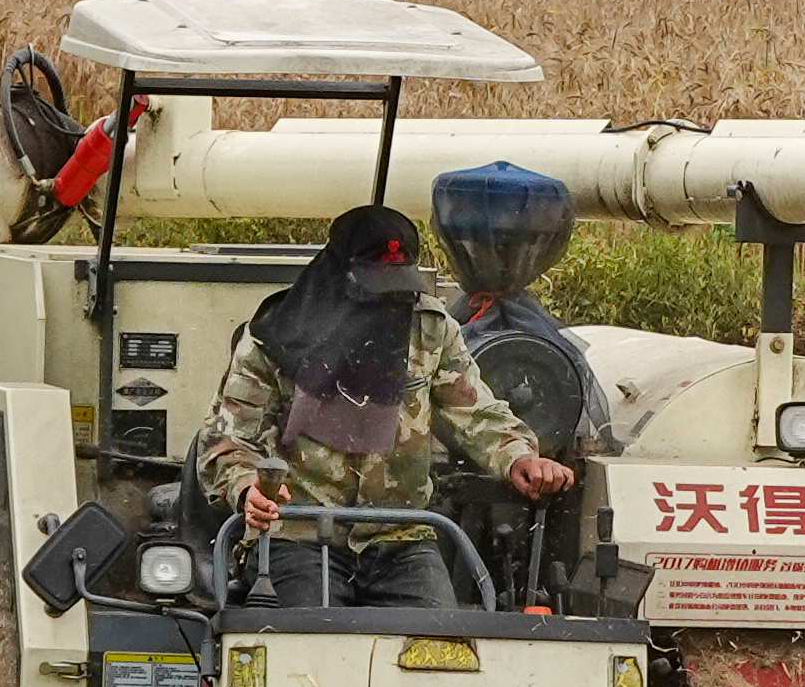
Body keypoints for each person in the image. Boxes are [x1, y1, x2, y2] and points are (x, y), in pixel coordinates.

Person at [198, 205, 575, 607]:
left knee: (442, 650)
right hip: (300, 536)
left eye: (400, 286)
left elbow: (474, 411)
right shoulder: (273, 338)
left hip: (402, 536)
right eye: (376, 287)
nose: (391, 300)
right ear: (340, 277)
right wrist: (246, 489)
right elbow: (225, 442)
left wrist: (520, 458)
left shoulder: (431, 329)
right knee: (308, 646)